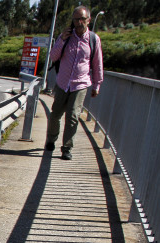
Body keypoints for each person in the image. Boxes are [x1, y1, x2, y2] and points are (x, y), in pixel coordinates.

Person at [45, 6, 104, 160]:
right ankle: (51, 139)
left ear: (88, 20)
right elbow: (53, 57)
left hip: (80, 84)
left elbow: (97, 64)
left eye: (82, 19)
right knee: (55, 115)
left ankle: (66, 148)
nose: (79, 22)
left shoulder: (93, 39)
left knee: (72, 116)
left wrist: (97, 84)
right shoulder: (65, 37)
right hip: (63, 83)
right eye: (76, 19)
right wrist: (62, 40)